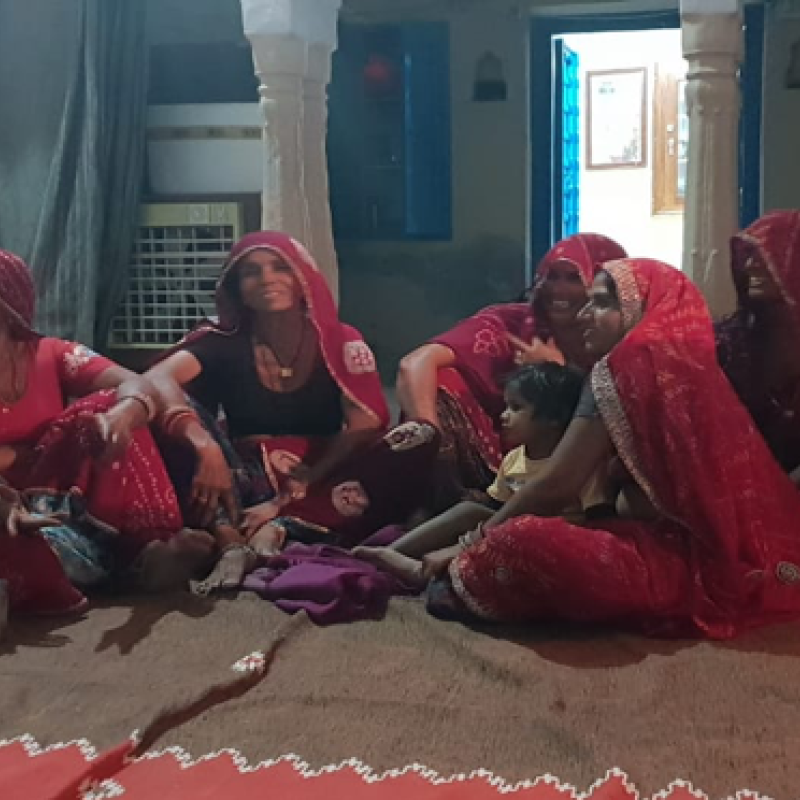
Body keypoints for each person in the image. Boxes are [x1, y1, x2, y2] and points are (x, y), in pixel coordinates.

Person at [424, 258, 800, 639]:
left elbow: (558, 485)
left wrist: (470, 544)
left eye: (603, 303)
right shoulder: (683, 363)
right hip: (718, 545)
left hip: (688, 558)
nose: (585, 314)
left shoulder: (624, 365)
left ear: (639, 309)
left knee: (521, 540)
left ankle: (465, 569)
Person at [147, 231, 439, 592]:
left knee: (412, 441)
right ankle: (231, 542)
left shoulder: (342, 340)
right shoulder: (219, 341)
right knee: (161, 411)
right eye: (252, 272)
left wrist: (293, 494)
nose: (267, 279)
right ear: (236, 287)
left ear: (304, 279)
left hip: (323, 471)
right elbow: (155, 379)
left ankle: (284, 525)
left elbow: (364, 426)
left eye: (280, 268)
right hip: (243, 472)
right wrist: (204, 445)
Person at [0, 249, 200, 618]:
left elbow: (134, 381)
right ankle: (117, 569)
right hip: (8, 507)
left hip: (57, 496)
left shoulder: (50, 354)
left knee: (103, 407)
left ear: (11, 312)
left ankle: (145, 549)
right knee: (29, 545)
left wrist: (124, 415)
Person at [396, 233, 627, 497]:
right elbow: (415, 364)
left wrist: (553, 375)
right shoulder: (511, 325)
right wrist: (430, 436)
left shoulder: (620, 334)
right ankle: (447, 498)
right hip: (500, 453)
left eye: (574, 279)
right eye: (552, 276)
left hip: (582, 468)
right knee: (442, 384)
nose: (558, 290)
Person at [355, 362, 609, 584]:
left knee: (515, 535)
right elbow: (495, 509)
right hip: (501, 535)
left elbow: (598, 520)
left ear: (554, 418)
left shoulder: (575, 465)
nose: (504, 415)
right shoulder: (514, 460)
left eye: (516, 408)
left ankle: (425, 572)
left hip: (548, 543)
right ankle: (388, 553)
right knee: (470, 510)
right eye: (506, 406)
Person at [716, 210, 800, 482]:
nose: (750, 265)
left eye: (766, 254)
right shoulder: (725, 346)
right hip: (735, 488)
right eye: (748, 255)